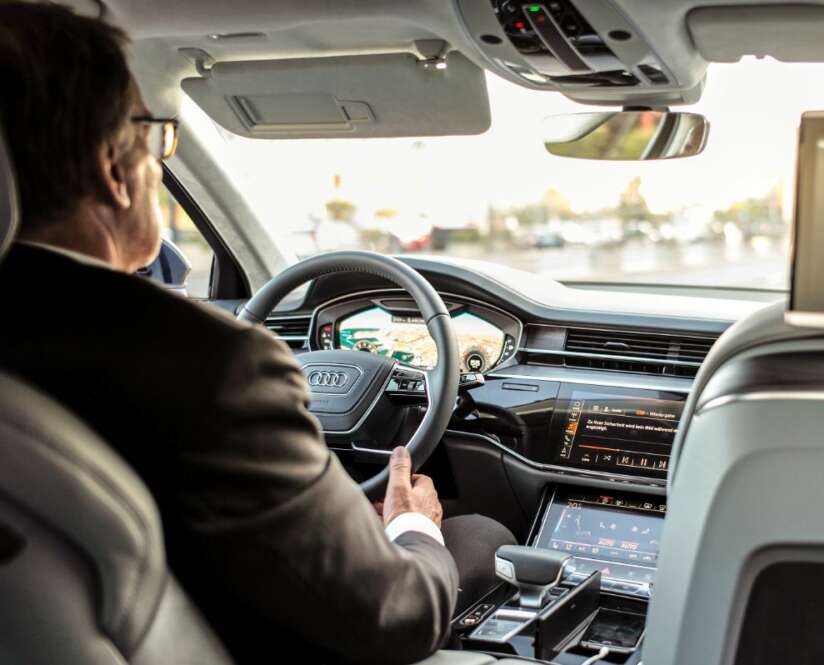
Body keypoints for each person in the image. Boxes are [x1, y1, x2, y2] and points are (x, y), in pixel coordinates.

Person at [0, 3, 514, 664]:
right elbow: (389, 616)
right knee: (482, 534)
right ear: (112, 168)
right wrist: (413, 526)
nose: (158, 165)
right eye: (157, 140)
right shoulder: (211, 365)